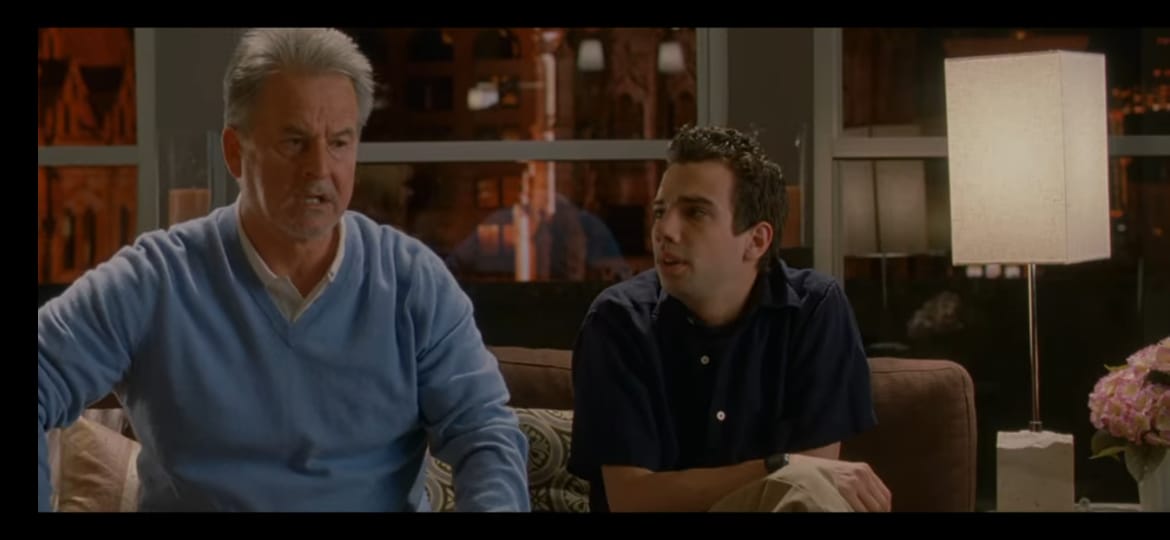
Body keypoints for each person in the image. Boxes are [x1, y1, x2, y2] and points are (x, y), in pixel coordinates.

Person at [37, 28, 530, 512]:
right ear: (235, 152)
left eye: (339, 143)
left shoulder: (411, 282)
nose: (320, 168)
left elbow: (484, 433)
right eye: (294, 142)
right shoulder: (155, 282)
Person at [566, 125, 891, 513]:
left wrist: (792, 473)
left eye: (695, 212)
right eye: (660, 212)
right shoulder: (619, 321)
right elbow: (633, 500)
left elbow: (811, 490)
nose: (664, 230)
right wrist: (779, 465)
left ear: (756, 241)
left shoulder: (815, 310)